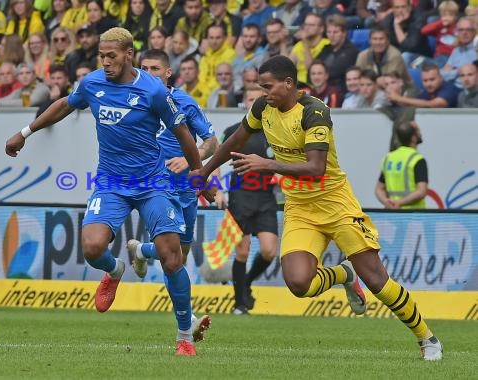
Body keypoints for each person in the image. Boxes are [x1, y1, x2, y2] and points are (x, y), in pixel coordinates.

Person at [191, 55, 443, 361]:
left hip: (336, 204)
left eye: (268, 86)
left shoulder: (314, 112)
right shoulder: (262, 109)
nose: (263, 93)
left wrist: (267, 164)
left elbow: (316, 168)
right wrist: (203, 171)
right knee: (299, 283)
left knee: (377, 281)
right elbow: (237, 139)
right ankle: (343, 275)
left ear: (289, 83)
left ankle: (427, 339)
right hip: (300, 208)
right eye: (260, 87)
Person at [5, 27, 212, 356]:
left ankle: (184, 335)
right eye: (102, 56)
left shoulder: (153, 91)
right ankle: (115, 269)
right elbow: (66, 104)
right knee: (91, 247)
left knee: (173, 257)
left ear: (129, 54)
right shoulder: (92, 83)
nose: (105, 62)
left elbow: (184, 134)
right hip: (111, 182)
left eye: (111, 56)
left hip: (152, 182)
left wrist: (199, 174)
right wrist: (25, 132)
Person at [125, 49, 217, 341]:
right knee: (172, 256)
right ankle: (186, 320)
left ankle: (140, 250)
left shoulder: (184, 103)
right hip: (155, 188)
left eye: (154, 68)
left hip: (185, 190)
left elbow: (212, 142)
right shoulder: (132, 100)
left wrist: (193, 160)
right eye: (143, 67)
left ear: (167, 73)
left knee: (179, 256)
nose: (148, 72)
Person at [223, 86, 278, 315]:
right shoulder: (234, 132)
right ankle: (239, 304)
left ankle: (246, 282)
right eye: (251, 99)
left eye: (259, 100)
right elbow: (215, 158)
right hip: (240, 196)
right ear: (245, 103)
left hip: (265, 197)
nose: (254, 103)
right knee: (242, 251)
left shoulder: (275, 133)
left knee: (269, 251)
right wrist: (216, 190)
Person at [375, 121, 427, 209]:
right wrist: (399, 203)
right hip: (413, 216)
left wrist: (387, 202)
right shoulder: (417, 159)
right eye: (418, 131)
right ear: (413, 138)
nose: (420, 133)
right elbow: (421, 191)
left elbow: (379, 189)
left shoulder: (389, 158)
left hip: (393, 215)